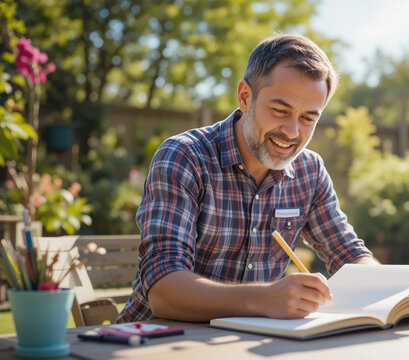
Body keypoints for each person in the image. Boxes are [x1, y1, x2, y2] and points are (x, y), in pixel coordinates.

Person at [117, 34, 378, 323]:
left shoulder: (309, 171)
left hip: (248, 344)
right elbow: (164, 291)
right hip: (153, 343)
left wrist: (386, 291)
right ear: (245, 97)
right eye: (280, 111)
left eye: (308, 119)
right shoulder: (185, 157)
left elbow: (350, 255)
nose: (292, 132)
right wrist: (265, 299)